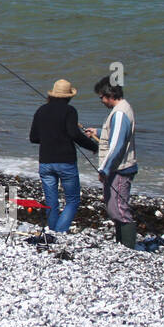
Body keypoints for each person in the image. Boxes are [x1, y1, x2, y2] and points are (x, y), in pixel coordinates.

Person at [29, 78, 99, 238]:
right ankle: (59, 232)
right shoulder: (70, 111)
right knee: (73, 200)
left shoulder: (41, 110)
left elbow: (33, 137)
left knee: (51, 201)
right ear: (69, 96)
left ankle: (52, 232)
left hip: (45, 162)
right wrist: (93, 146)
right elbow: (75, 134)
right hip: (66, 161)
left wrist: (49, 138)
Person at [85, 77, 138, 248]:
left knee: (119, 210)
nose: (101, 101)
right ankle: (121, 245)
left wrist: (104, 170)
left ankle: (128, 247)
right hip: (118, 168)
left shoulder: (120, 113)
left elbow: (117, 145)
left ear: (109, 95)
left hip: (120, 169)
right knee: (114, 207)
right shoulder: (121, 110)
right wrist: (98, 132)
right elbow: (114, 135)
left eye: (101, 97)